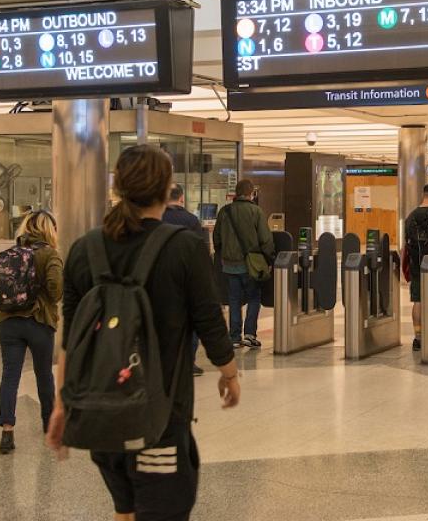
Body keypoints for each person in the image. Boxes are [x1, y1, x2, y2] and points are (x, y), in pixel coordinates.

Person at [46, 144, 239, 521]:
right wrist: (229, 374)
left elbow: (70, 335)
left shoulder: (85, 249)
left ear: (118, 188)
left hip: (99, 414)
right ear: (168, 188)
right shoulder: (184, 246)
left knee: (126, 508)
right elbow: (209, 320)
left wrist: (61, 404)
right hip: (159, 417)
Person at [0, 209, 62, 455]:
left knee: (10, 375)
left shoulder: (10, 253)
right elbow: (56, 289)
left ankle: (7, 431)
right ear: (50, 230)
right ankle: (48, 424)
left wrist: (12, 295)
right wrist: (37, 293)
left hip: (9, 323)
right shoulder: (49, 254)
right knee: (43, 374)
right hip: (39, 322)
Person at [213, 179, 275, 348]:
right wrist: (269, 259)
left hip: (229, 265)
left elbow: (216, 238)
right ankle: (249, 334)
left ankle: (234, 337)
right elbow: (265, 239)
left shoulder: (224, 212)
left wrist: (223, 255)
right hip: (251, 265)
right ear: (251, 193)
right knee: (254, 297)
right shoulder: (256, 211)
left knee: (234, 300)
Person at [163, 183, 206, 376]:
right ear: (181, 198)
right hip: (186, 278)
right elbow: (199, 252)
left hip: (163, 278)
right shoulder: (191, 220)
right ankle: (189, 361)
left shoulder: (158, 218)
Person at [404, 183, 428, 351]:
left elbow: (406, 245)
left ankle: (418, 337)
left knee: (418, 301)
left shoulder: (410, 217)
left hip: (416, 265)